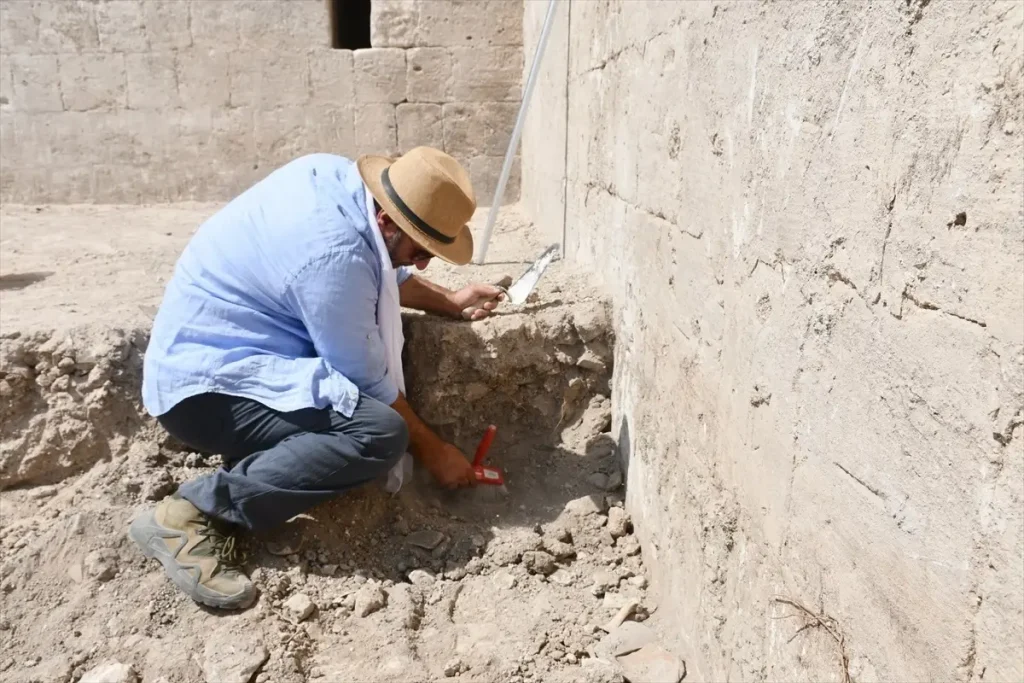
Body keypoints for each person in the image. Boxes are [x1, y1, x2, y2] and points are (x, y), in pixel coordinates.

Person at [129, 147, 504, 609]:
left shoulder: (337, 180)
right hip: (206, 392)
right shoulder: (334, 255)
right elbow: (366, 380)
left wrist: (449, 300)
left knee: (363, 423)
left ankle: (268, 463)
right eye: (420, 251)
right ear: (387, 219)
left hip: (228, 357)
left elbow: (382, 268)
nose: (424, 264)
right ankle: (192, 513)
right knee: (379, 433)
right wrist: (437, 452)